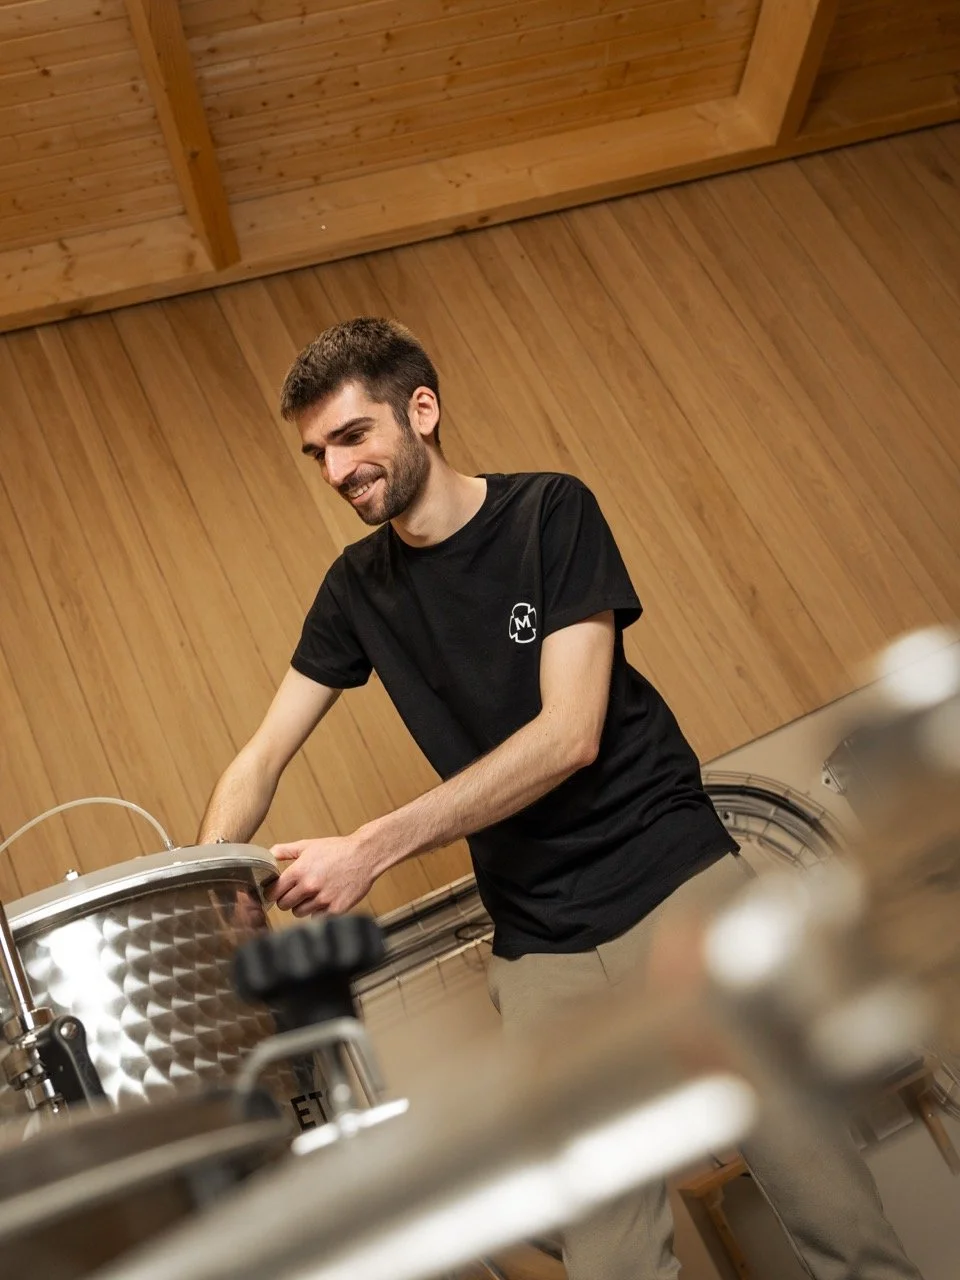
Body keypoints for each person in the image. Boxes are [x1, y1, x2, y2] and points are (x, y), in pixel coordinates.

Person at [198, 317, 922, 1280]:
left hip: (677, 887)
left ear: (422, 410)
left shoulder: (550, 515)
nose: (337, 470)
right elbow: (259, 758)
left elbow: (569, 733)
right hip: (540, 945)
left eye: (353, 436)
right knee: (612, 1259)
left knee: (831, 1209)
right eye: (317, 453)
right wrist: (215, 880)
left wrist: (372, 846)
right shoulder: (353, 590)